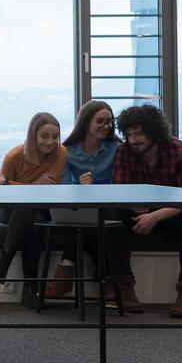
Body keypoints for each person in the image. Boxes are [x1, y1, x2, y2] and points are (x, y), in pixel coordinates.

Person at [108, 103, 182, 318]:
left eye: (139, 134)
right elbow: (119, 192)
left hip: (172, 213)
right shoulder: (124, 151)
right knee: (112, 215)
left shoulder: (181, 152)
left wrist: (155, 216)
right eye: (129, 134)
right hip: (137, 211)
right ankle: (125, 287)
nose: (133, 140)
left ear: (154, 132)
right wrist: (132, 205)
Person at [39, 101, 120, 300]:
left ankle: (64, 276)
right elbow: (65, 188)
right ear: (86, 122)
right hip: (80, 204)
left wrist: (96, 190)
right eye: (100, 121)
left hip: (110, 204)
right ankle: (108, 280)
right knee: (87, 219)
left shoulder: (117, 148)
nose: (106, 126)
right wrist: (81, 189)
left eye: (109, 122)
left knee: (93, 220)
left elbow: (120, 184)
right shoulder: (67, 151)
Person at [0, 113, 67, 307]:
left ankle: (4, 260)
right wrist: (31, 185)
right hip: (10, 208)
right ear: (33, 135)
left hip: (39, 206)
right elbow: (2, 189)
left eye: (55, 137)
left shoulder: (60, 152)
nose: (50, 142)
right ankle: (31, 288)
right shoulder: (14, 155)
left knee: (35, 218)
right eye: (45, 136)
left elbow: (46, 188)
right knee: (31, 213)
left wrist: (16, 184)